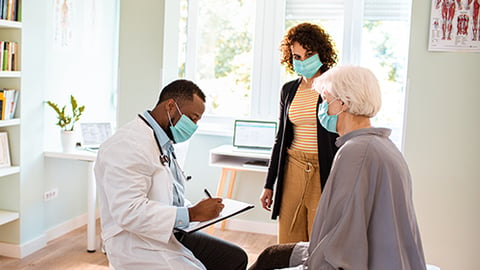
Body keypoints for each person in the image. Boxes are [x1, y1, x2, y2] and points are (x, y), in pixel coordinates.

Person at [250, 66, 427, 270]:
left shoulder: (356, 153)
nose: (322, 108)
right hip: (378, 255)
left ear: (342, 103)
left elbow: (343, 245)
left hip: (359, 260)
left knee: (268, 261)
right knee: (270, 255)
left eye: (325, 100)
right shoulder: (383, 145)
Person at [94, 79, 248, 270]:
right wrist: (191, 214)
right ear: (170, 106)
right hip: (136, 242)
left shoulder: (162, 141)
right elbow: (129, 212)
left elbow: (168, 193)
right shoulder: (127, 144)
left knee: (235, 258)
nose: (193, 126)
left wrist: (195, 210)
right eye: (192, 118)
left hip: (169, 231)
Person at [259, 22, 339, 244]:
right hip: (293, 167)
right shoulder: (288, 90)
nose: (303, 61)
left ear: (321, 53)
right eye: (297, 56)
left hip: (323, 169)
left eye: (309, 54)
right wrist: (268, 184)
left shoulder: (335, 86)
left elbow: (342, 135)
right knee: (288, 236)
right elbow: (280, 139)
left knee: (319, 238)